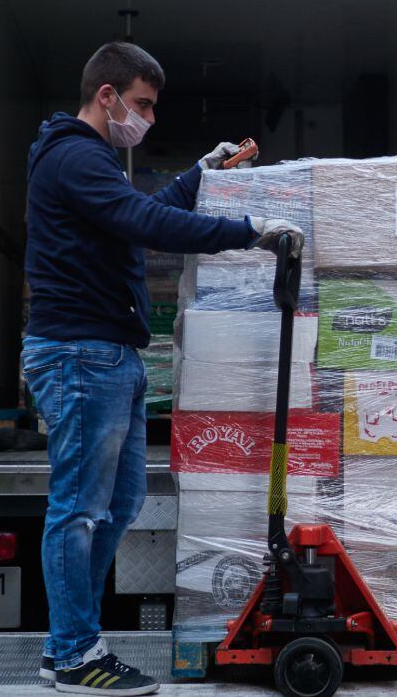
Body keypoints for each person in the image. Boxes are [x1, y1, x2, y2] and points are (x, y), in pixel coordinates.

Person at [23, 42, 302, 695]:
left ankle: (65, 641)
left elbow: (134, 215)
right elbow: (145, 223)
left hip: (105, 354)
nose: (146, 118)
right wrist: (249, 229)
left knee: (115, 506)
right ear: (107, 95)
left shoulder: (89, 162)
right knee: (79, 511)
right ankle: (75, 658)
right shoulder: (73, 156)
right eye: (142, 104)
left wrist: (199, 175)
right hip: (79, 354)